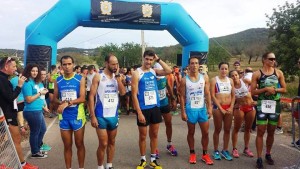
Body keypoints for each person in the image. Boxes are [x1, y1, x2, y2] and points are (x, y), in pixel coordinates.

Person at [132, 50, 172, 169]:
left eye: (151, 59)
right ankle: (143, 159)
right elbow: (134, 94)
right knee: (143, 136)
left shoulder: (154, 71)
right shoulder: (137, 73)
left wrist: (158, 59)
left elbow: (169, 71)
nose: (149, 62)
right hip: (143, 108)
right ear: (143, 59)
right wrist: (138, 112)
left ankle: (153, 160)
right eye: (147, 59)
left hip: (155, 107)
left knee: (154, 134)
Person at [0, 57, 38, 169]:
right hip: (7, 114)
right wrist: (19, 85)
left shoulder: (4, 79)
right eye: (14, 66)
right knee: (16, 139)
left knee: (11, 139)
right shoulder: (2, 79)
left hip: (8, 113)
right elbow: (11, 97)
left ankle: (21, 163)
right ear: (6, 67)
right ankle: (23, 164)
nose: (15, 69)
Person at [89, 54, 126, 169]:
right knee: (103, 143)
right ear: (106, 64)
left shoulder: (118, 77)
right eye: (113, 64)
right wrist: (92, 116)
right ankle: (100, 166)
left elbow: (123, 92)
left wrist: (119, 79)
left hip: (113, 115)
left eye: (117, 64)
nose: (115, 66)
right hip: (100, 115)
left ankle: (109, 165)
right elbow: (91, 96)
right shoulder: (98, 77)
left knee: (112, 142)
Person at [250, 52, 286, 169]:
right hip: (262, 105)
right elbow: (253, 92)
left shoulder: (279, 73)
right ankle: (259, 157)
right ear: (264, 59)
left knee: (271, 131)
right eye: (271, 59)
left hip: (274, 105)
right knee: (260, 131)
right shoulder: (257, 74)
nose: (273, 61)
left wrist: (274, 90)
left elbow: (284, 89)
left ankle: (268, 154)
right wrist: (265, 88)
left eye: (274, 59)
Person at [53, 55, 86, 169]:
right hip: (64, 117)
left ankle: (81, 167)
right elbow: (54, 99)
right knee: (67, 146)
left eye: (69, 64)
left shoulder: (80, 78)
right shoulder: (58, 80)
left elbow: (82, 98)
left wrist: (68, 103)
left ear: (73, 64)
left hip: (77, 116)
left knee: (79, 144)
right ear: (61, 66)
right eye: (64, 64)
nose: (67, 67)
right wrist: (60, 102)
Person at [179, 57, 213, 165]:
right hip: (190, 109)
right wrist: (183, 112)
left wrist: (209, 108)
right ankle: (192, 153)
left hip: (202, 109)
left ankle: (205, 154)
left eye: (196, 63)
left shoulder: (205, 78)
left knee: (206, 132)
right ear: (189, 65)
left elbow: (207, 93)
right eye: (192, 63)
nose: (194, 65)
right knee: (191, 132)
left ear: (199, 65)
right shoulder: (184, 80)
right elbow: (182, 96)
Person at [22, 63, 49, 159]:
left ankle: (37, 148)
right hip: (32, 111)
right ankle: (35, 152)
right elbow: (28, 99)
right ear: (28, 71)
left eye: (36, 71)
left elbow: (40, 98)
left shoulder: (35, 82)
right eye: (33, 71)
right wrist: (40, 93)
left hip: (37, 110)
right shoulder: (27, 83)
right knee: (35, 131)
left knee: (42, 129)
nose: (35, 73)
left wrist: (44, 105)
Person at [210, 62, 235, 161]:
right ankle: (216, 150)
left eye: (226, 69)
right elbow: (212, 95)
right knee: (218, 129)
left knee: (227, 130)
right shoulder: (214, 80)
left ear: (228, 70)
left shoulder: (231, 80)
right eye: (222, 68)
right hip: (218, 108)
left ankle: (225, 150)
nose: (224, 70)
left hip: (229, 108)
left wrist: (232, 106)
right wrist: (220, 108)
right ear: (219, 69)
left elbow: (233, 95)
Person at [229, 70, 256, 158]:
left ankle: (246, 149)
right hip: (240, 108)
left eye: (236, 75)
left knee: (248, 129)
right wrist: (233, 105)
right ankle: (234, 149)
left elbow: (256, 87)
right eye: (232, 76)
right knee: (236, 128)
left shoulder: (245, 81)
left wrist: (253, 98)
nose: (235, 77)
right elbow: (228, 98)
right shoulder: (230, 86)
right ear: (230, 78)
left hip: (250, 107)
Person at [153, 62, 178, 158]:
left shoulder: (165, 77)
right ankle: (154, 147)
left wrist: (173, 99)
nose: (161, 74)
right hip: (155, 105)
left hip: (164, 103)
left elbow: (169, 87)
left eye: (162, 73)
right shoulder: (153, 78)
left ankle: (169, 144)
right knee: (155, 129)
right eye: (159, 73)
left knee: (169, 123)